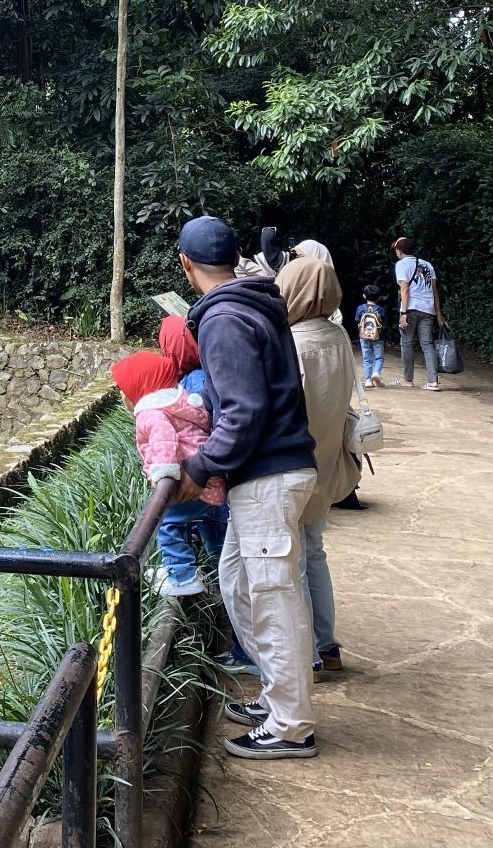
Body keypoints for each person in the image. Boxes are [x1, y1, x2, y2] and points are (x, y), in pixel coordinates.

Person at [172, 216, 321, 760]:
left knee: (274, 597)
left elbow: (243, 412)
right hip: (270, 473)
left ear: (185, 264)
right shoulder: (254, 302)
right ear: (236, 257)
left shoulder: (223, 318)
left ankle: (291, 726)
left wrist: (198, 466)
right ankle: (278, 697)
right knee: (237, 581)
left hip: (266, 476)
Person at [276, 257, 364, 675]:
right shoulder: (338, 335)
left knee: (292, 561)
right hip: (327, 458)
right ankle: (327, 646)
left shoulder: (292, 342)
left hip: (294, 462)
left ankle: (307, 655)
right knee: (314, 552)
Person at [111, 349, 225, 598]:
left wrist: (164, 476)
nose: (121, 395)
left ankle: (181, 576)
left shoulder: (151, 413)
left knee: (163, 522)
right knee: (200, 531)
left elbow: (164, 441)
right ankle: (195, 573)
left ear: (139, 388)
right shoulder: (175, 405)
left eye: (124, 389)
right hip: (211, 482)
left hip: (195, 485)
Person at [392, 236, 446, 391]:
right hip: (428, 309)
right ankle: (433, 382)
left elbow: (405, 290)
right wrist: (439, 313)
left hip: (411, 308)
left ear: (399, 250)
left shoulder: (402, 264)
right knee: (427, 344)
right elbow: (434, 290)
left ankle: (407, 379)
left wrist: (403, 313)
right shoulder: (428, 264)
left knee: (406, 343)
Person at [288, 239, 342, 327]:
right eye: (295, 256)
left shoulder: (332, 312)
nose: (297, 261)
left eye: (300, 256)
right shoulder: (291, 282)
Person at [355, 284, 389, 389]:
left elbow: (357, 320)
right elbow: (385, 322)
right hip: (378, 337)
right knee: (379, 357)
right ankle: (376, 373)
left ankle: (368, 380)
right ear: (379, 297)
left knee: (367, 359)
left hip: (364, 337)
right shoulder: (380, 309)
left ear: (364, 296)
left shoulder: (360, 308)